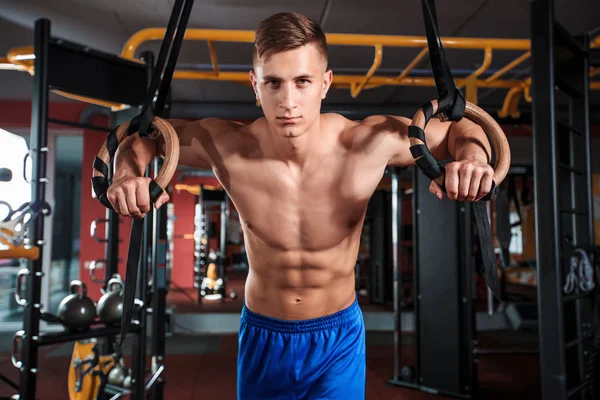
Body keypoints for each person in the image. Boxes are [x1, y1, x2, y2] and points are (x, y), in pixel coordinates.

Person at [108, 12, 495, 400]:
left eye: (302, 82)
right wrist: (126, 175)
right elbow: (145, 137)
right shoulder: (226, 146)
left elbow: (466, 130)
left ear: (325, 83)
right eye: (273, 83)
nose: (288, 102)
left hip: (337, 337)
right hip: (263, 334)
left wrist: (474, 162)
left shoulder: (368, 143)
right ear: (254, 85)